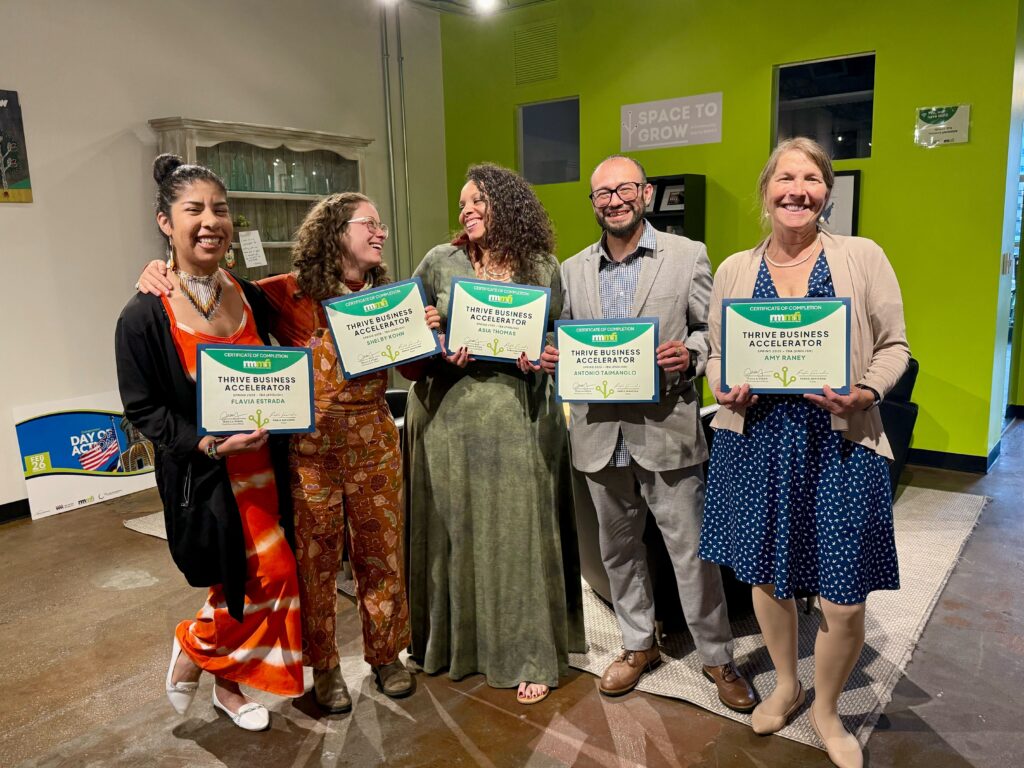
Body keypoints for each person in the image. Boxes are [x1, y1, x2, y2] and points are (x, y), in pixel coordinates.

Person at [137, 192, 438, 712]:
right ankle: (324, 669)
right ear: (336, 231)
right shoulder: (285, 294)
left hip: (375, 446)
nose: (381, 233)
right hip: (310, 453)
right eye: (370, 223)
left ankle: (386, 656)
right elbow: (216, 284)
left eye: (382, 225)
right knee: (314, 564)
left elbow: (411, 372)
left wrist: (424, 334)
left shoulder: (392, 294)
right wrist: (156, 269)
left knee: (382, 557)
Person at [699, 137, 909, 768]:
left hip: (841, 444)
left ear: (827, 190)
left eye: (811, 178)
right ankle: (787, 684)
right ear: (767, 190)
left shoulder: (862, 256)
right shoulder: (736, 268)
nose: (797, 189)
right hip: (757, 443)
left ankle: (826, 708)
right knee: (767, 575)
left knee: (844, 598)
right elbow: (714, 354)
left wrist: (866, 390)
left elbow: (895, 346)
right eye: (785, 177)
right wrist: (720, 383)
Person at [538, 155, 756, 712]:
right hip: (596, 433)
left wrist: (692, 353)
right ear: (593, 203)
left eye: (625, 189)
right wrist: (553, 356)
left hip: (666, 429)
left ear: (647, 194)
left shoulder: (688, 257)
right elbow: (564, 343)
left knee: (691, 552)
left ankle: (715, 654)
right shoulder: (572, 269)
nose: (613, 200)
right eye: (602, 193)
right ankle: (639, 645)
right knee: (617, 550)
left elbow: (716, 332)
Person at [115, 154, 303, 731]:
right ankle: (197, 647)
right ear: (165, 222)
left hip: (267, 469)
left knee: (259, 577)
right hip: (207, 476)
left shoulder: (250, 294)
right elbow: (143, 409)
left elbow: (305, 324)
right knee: (256, 576)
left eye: (219, 209)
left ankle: (225, 686)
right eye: (192, 209)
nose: (209, 221)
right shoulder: (143, 315)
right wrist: (205, 445)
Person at [402, 162, 585, 705]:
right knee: (453, 534)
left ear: (507, 205)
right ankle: (452, 648)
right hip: (447, 420)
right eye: (462, 204)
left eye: (478, 200)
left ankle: (526, 652)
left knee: (517, 536)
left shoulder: (543, 266)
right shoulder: (440, 260)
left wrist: (548, 356)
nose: (467, 210)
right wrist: (435, 343)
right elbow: (408, 340)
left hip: (519, 418)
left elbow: (558, 338)